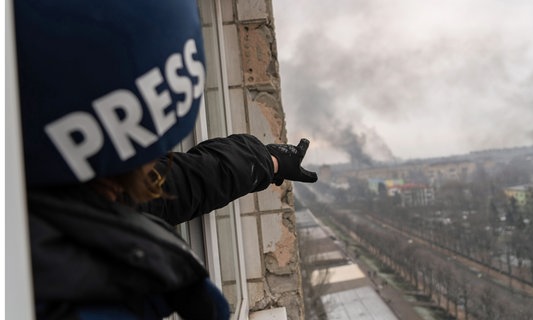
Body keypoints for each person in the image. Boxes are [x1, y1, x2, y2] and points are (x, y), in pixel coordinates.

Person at [14, 0, 317, 319]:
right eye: (138, 155)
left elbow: (175, 185)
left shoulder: (69, 197)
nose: (152, 164)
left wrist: (265, 161)